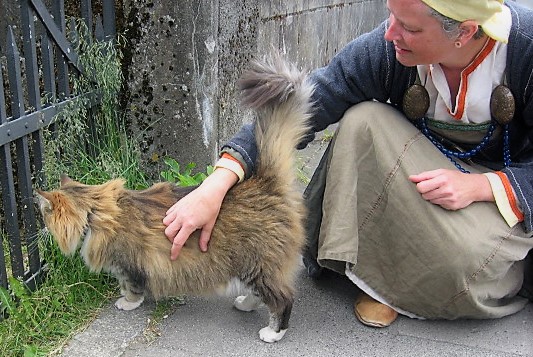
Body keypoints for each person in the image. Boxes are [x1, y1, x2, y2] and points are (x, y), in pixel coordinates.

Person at [163, 0, 533, 328]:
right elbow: (315, 100)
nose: (391, 34)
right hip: (421, 171)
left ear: (465, 31)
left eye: (410, 28)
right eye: (391, 16)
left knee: (468, 264)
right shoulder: (389, 49)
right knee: (363, 119)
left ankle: (400, 285)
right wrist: (217, 183)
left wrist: (483, 186)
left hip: (501, 186)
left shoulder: (525, 50)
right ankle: (383, 282)